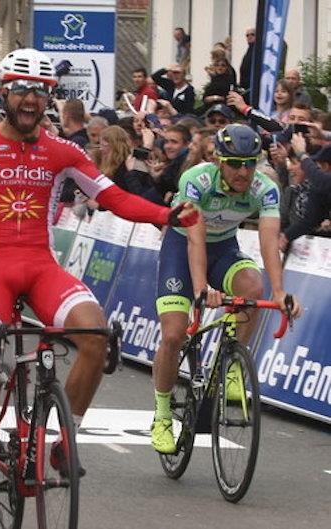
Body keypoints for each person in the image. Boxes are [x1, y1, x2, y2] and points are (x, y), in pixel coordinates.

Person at [0, 48, 198, 503]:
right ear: (4, 92)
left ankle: (64, 440)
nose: (30, 99)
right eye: (22, 90)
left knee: (95, 334)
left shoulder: (62, 150)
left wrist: (166, 215)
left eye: (40, 92)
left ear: (49, 98)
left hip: (42, 264)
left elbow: (114, 198)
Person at [150, 124, 302, 454]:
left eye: (250, 162)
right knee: (174, 335)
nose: (243, 171)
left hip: (224, 248)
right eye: (234, 162)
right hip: (182, 246)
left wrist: (279, 292)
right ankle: (162, 415)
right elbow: (195, 239)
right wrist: (202, 288)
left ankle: (231, 364)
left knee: (253, 286)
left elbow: (268, 240)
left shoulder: (265, 187)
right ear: (219, 160)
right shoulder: (196, 180)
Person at [239, 28, 256, 94]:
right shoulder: (248, 51)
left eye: (252, 34)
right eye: (247, 35)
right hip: (245, 88)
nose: (249, 37)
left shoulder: (258, 51)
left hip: (253, 87)